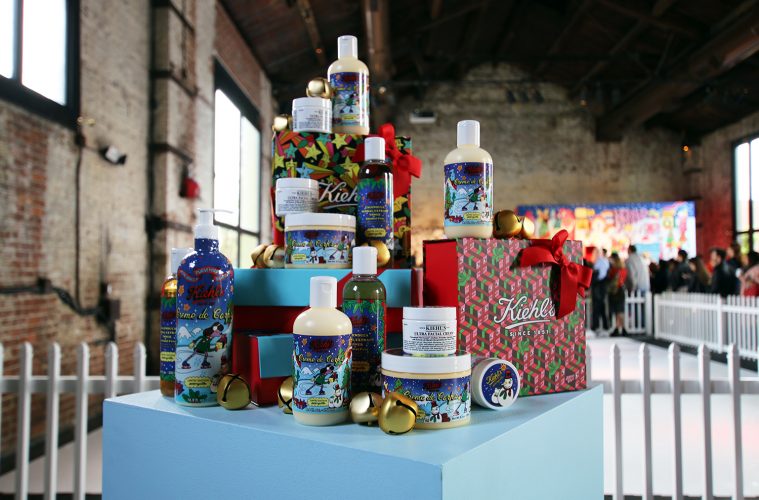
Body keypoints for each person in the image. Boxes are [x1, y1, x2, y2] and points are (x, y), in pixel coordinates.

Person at [607, 253, 628, 336]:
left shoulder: (613, 270)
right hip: (621, 290)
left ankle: (620, 328)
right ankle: (620, 328)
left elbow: (609, 277)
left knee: (617, 311)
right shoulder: (624, 270)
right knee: (620, 311)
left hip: (615, 291)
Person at [591, 248, 610, 333]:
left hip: (598, 285)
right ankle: (605, 326)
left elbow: (598, 274)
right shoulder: (605, 261)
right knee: (602, 307)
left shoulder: (599, 262)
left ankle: (596, 326)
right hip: (603, 286)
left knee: (597, 307)